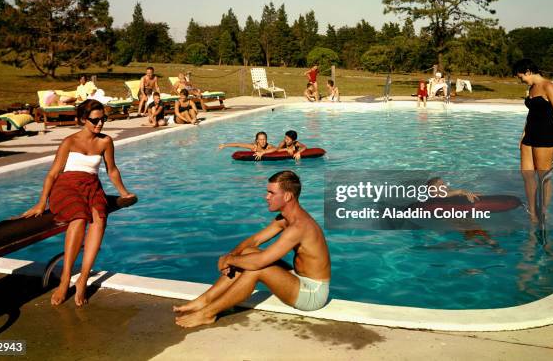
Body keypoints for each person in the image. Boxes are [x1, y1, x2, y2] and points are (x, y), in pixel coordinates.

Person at [174, 171, 331, 328]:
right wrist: (232, 255)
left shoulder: (299, 226)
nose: (266, 197)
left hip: (313, 293)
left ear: (287, 196)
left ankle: (207, 314)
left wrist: (229, 260)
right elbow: (254, 241)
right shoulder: (285, 219)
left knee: (257, 268)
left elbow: (260, 262)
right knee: (248, 253)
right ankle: (205, 300)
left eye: (271, 192)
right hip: (298, 278)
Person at [20, 99, 135, 306]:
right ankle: (65, 279)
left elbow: (112, 170)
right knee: (79, 217)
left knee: (99, 219)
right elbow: (53, 174)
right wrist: (41, 203)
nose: (100, 124)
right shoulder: (69, 142)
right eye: (95, 120)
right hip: (66, 186)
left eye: (103, 119)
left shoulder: (105, 141)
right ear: (83, 119)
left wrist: (124, 193)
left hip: (92, 186)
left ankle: (83, 278)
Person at [513, 59, 553, 223]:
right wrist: (523, 134)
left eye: (521, 76)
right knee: (527, 175)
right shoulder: (531, 87)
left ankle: (544, 211)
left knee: (543, 177)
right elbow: (531, 113)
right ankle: (532, 213)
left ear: (528, 71)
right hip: (530, 135)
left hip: (545, 135)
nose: (521, 80)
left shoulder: (549, 86)